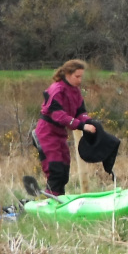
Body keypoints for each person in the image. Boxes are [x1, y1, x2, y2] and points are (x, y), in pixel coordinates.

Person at [32, 59, 97, 196]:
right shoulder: (57, 90)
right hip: (46, 133)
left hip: (60, 135)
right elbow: (59, 116)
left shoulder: (75, 91)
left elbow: (80, 112)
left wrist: (90, 122)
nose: (80, 80)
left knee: (64, 171)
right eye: (77, 77)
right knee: (55, 169)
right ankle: (50, 201)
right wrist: (82, 126)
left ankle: (58, 199)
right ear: (67, 74)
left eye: (81, 77)